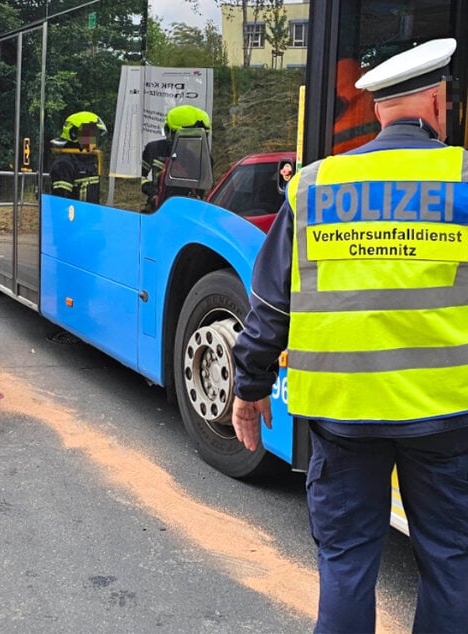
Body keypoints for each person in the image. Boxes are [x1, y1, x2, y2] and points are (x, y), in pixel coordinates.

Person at [230, 38, 468, 633]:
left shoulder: (312, 186)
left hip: (341, 416)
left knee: (345, 564)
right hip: (446, 418)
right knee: (451, 564)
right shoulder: (463, 179)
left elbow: (269, 302)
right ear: (438, 103)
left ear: (378, 110)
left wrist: (249, 384)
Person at [141, 104, 211, 211]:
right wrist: (151, 191)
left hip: (190, 211)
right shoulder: (154, 149)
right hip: (157, 209)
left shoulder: (200, 158)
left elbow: (206, 188)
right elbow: (139, 176)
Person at [49, 111, 107, 203]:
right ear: (74, 134)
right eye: (89, 136)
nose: (94, 142)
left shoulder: (88, 162)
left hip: (89, 217)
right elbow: (61, 205)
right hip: (75, 217)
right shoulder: (63, 165)